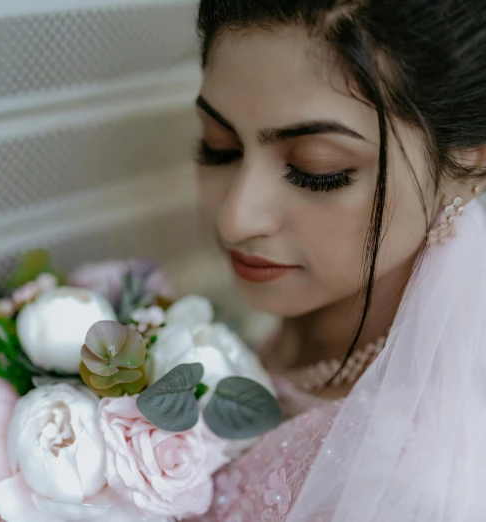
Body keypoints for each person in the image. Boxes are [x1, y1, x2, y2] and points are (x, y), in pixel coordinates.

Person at [188, 1, 486, 521]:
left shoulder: (423, 481)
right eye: (220, 148)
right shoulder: (255, 331)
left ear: (470, 158)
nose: (236, 220)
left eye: (317, 170)